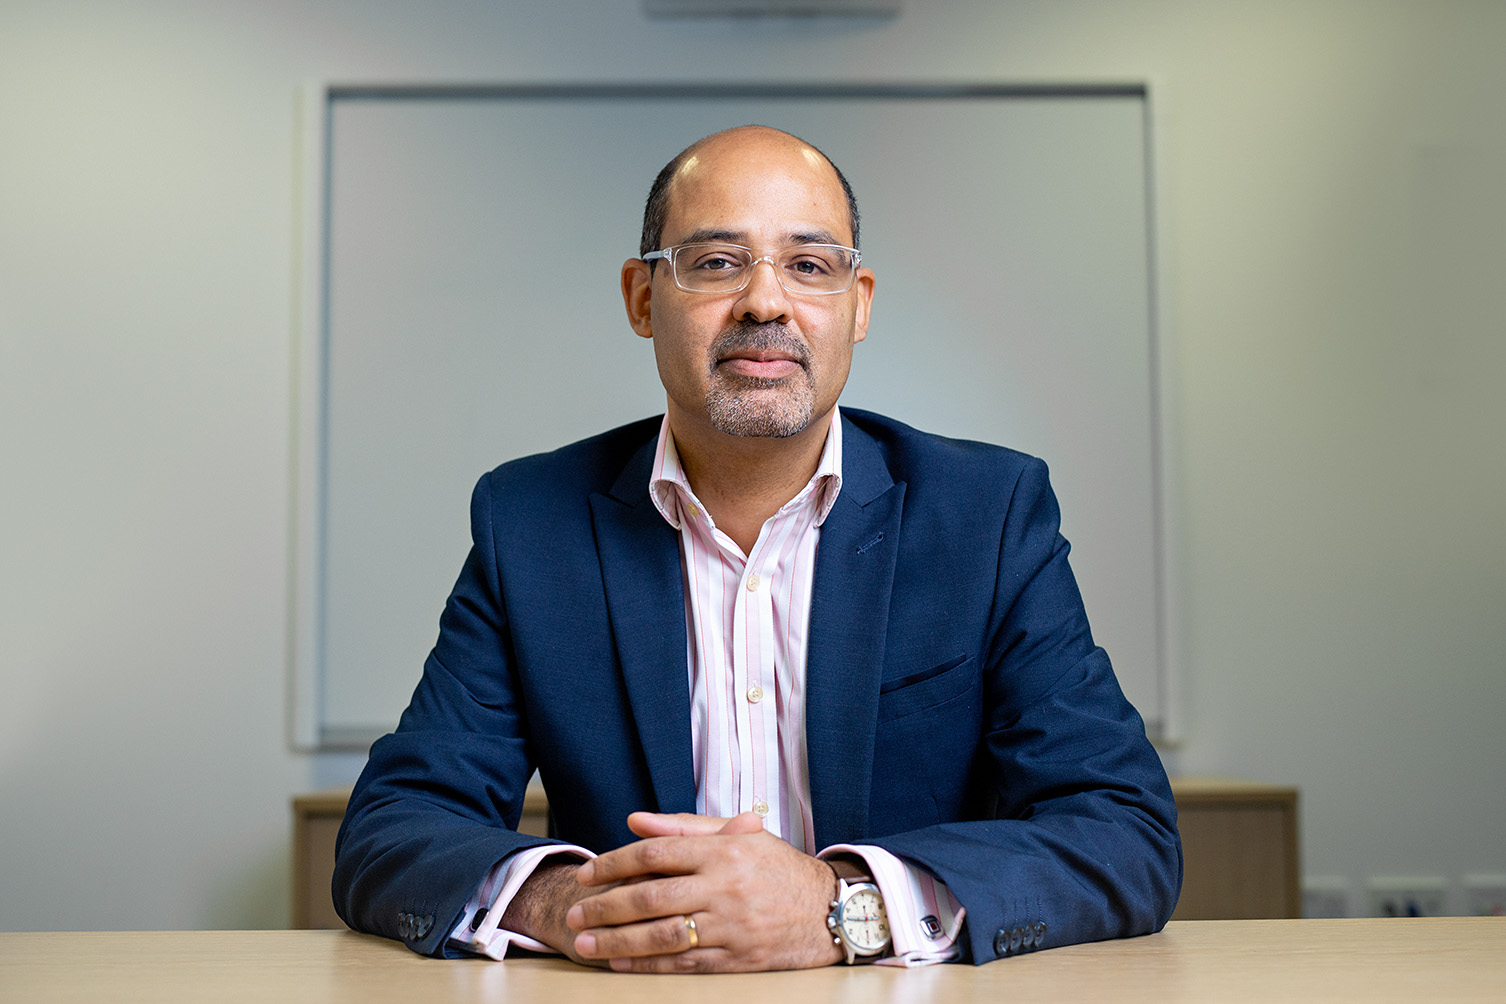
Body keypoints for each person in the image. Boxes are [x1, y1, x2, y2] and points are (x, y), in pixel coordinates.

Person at [333, 125, 1181, 973]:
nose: (765, 303)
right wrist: (582, 906)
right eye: (716, 263)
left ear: (859, 304)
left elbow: (1124, 829)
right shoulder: (531, 525)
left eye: (809, 265)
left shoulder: (987, 516)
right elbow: (394, 827)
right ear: (641, 299)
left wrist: (839, 906)